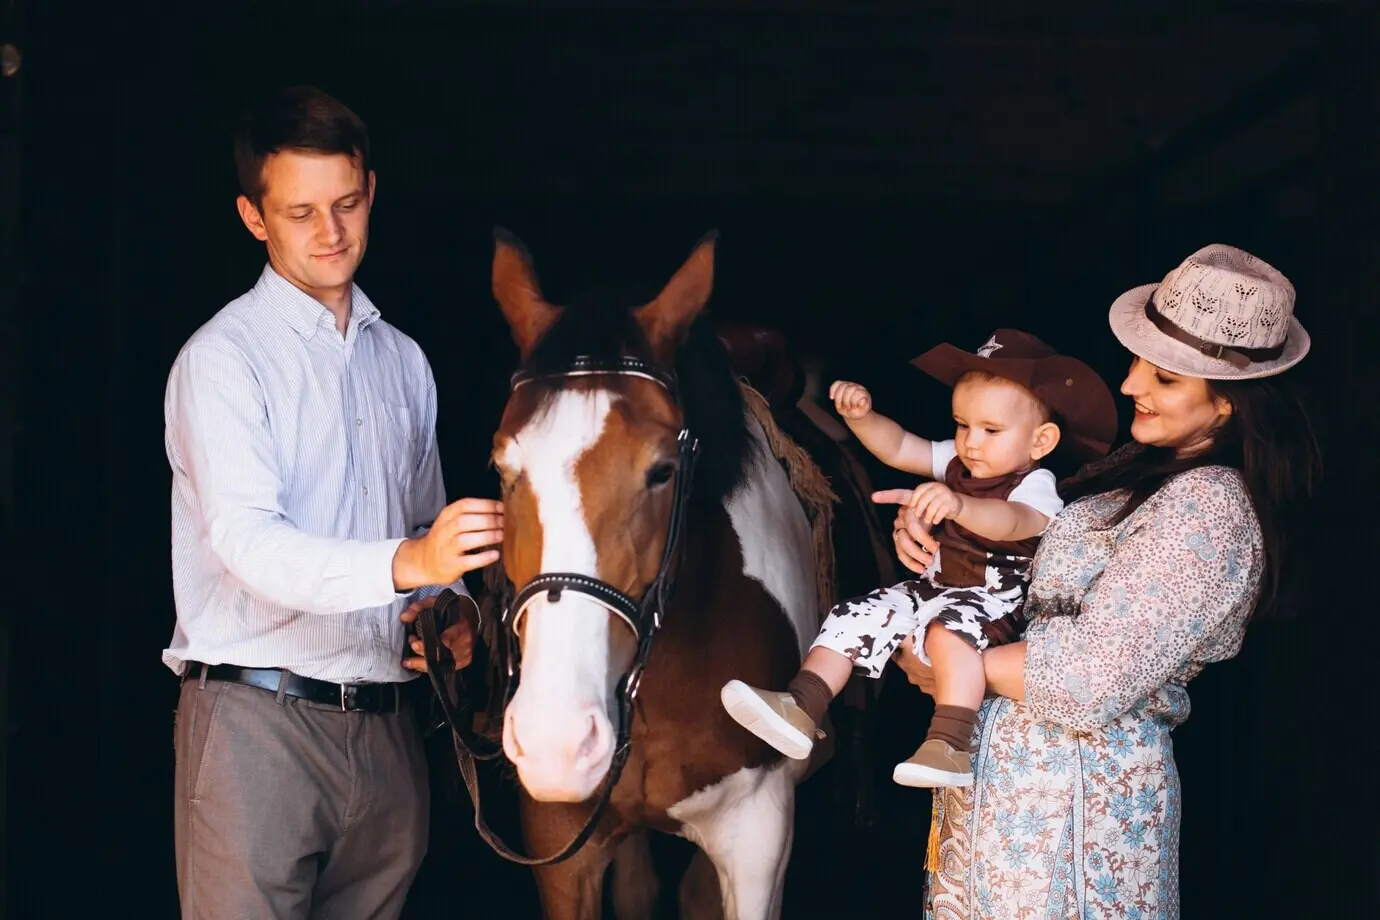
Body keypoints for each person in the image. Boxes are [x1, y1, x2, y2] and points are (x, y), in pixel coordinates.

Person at [889, 244, 1321, 918]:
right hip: (1022, 792)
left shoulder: (1210, 506)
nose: (1129, 388)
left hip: (1075, 809)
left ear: (1230, 405)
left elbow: (1089, 678)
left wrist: (955, 663)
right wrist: (942, 541)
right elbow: (1026, 573)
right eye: (1138, 366)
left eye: (1165, 380)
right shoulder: (1142, 471)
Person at [163, 86, 501, 920]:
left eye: (346, 204)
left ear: (371, 192)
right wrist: (410, 563)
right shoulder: (223, 360)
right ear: (254, 217)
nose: (331, 233)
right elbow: (246, 540)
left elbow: (423, 532)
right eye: (301, 212)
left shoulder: (404, 362)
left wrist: (446, 606)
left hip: (388, 729)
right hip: (256, 722)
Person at [720, 330, 1117, 788]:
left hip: (991, 599)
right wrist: (863, 418)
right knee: (856, 613)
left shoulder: (1034, 483)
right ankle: (803, 703)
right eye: (962, 424)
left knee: (949, 634)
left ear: (1041, 441)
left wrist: (961, 506)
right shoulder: (960, 464)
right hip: (933, 587)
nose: (970, 442)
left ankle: (949, 742)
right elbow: (902, 447)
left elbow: (1015, 521)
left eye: (991, 430)